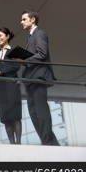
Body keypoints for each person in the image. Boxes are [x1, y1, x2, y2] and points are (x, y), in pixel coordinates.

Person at [20, 9, 59, 145]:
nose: (21, 22)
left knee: (41, 111)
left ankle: (48, 142)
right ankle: (48, 141)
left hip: (39, 77)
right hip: (30, 79)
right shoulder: (30, 37)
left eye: (24, 19)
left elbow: (42, 54)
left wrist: (25, 60)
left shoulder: (40, 33)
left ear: (33, 20)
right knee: (33, 113)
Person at [0, 27, 22, 144]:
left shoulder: (14, 51)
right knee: (6, 117)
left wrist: (1, 71)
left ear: (7, 36)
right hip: (0, 88)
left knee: (15, 115)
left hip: (12, 86)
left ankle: (18, 143)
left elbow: (16, 66)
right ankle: (11, 143)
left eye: (0, 35)